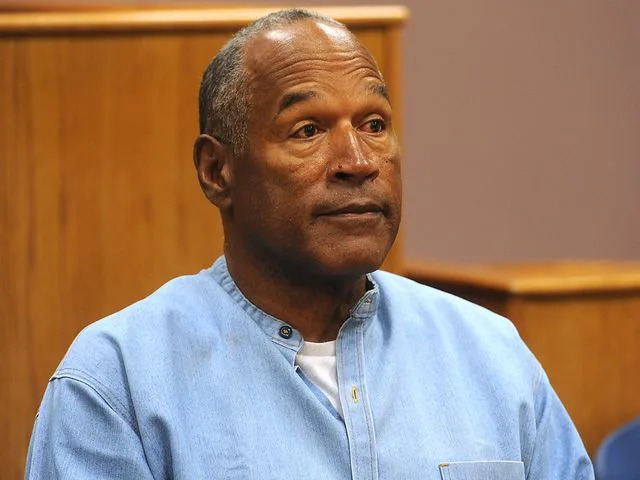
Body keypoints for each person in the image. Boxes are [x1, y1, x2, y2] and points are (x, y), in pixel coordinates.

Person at [26, 9, 594, 479]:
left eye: (374, 124)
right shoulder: (116, 382)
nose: (358, 162)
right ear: (217, 170)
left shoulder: (491, 355)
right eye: (308, 130)